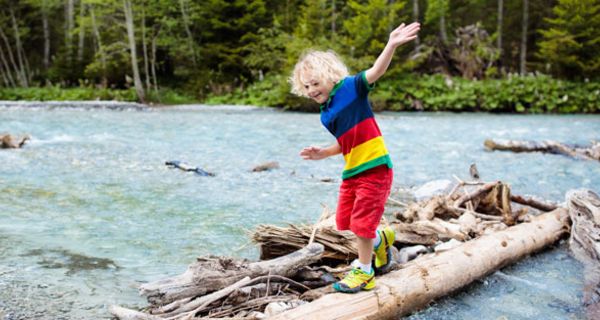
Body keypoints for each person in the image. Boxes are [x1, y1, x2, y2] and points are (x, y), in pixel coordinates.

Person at [289, 22, 420, 293]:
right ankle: (381, 239)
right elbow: (345, 142)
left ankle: (363, 272)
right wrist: (324, 153)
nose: (312, 89)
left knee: (362, 223)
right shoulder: (326, 113)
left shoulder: (351, 88)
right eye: (307, 86)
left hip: (375, 168)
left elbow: (376, 71)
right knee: (345, 222)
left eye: (316, 83)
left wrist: (391, 44)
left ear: (330, 76)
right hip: (352, 171)